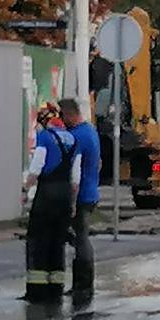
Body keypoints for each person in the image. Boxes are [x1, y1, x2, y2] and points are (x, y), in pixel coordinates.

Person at [22, 103, 80, 304]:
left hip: (47, 195)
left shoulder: (45, 138)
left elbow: (37, 168)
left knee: (39, 241)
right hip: (64, 196)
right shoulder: (73, 139)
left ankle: (37, 292)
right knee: (57, 243)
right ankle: (56, 288)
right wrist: (72, 204)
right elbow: (75, 178)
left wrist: (24, 190)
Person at [59, 97, 102, 301]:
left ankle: (83, 285)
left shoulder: (76, 137)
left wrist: (72, 202)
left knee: (80, 238)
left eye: (62, 116)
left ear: (68, 115)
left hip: (81, 195)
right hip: (90, 192)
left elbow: (73, 171)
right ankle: (81, 283)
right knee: (78, 237)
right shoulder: (90, 131)